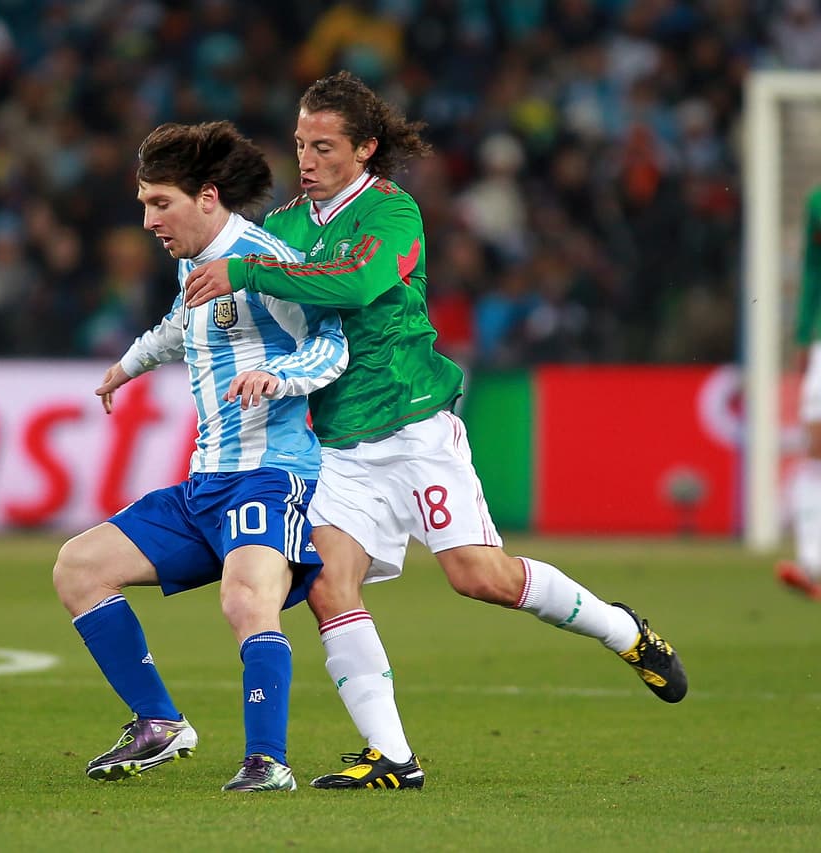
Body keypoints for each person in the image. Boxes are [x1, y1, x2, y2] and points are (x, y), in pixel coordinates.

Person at [184, 70, 688, 791]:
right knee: (327, 584)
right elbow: (256, 301)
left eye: (325, 146)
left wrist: (253, 273)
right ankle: (392, 754)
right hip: (336, 443)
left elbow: (355, 285)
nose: (308, 159)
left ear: (364, 149)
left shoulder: (393, 214)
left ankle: (622, 630)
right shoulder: (285, 228)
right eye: (300, 144)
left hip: (414, 425)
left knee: (478, 576)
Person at [52, 121, 349, 792]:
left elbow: (332, 344)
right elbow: (181, 326)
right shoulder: (195, 261)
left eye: (161, 203)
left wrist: (281, 377)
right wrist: (127, 365)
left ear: (208, 197)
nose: (149, 220)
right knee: (78, 567)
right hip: (205, 484)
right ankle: (159, 722)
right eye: (144, 205)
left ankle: (267, 761)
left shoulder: (267, 264)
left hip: (270, 477)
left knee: (246, 600)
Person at [778, 182, 821, 601]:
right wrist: (805, 333)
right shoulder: (817, 202)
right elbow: (813, 268)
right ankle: (811, 562)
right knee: (815, 446)